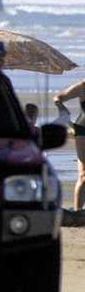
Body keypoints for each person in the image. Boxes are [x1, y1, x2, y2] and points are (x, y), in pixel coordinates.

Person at [52, 80, 85, 211]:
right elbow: (58, 97)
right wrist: (61, 109)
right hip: (83, 130)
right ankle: (78, 213)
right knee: (83, 176)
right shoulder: (82, 86)